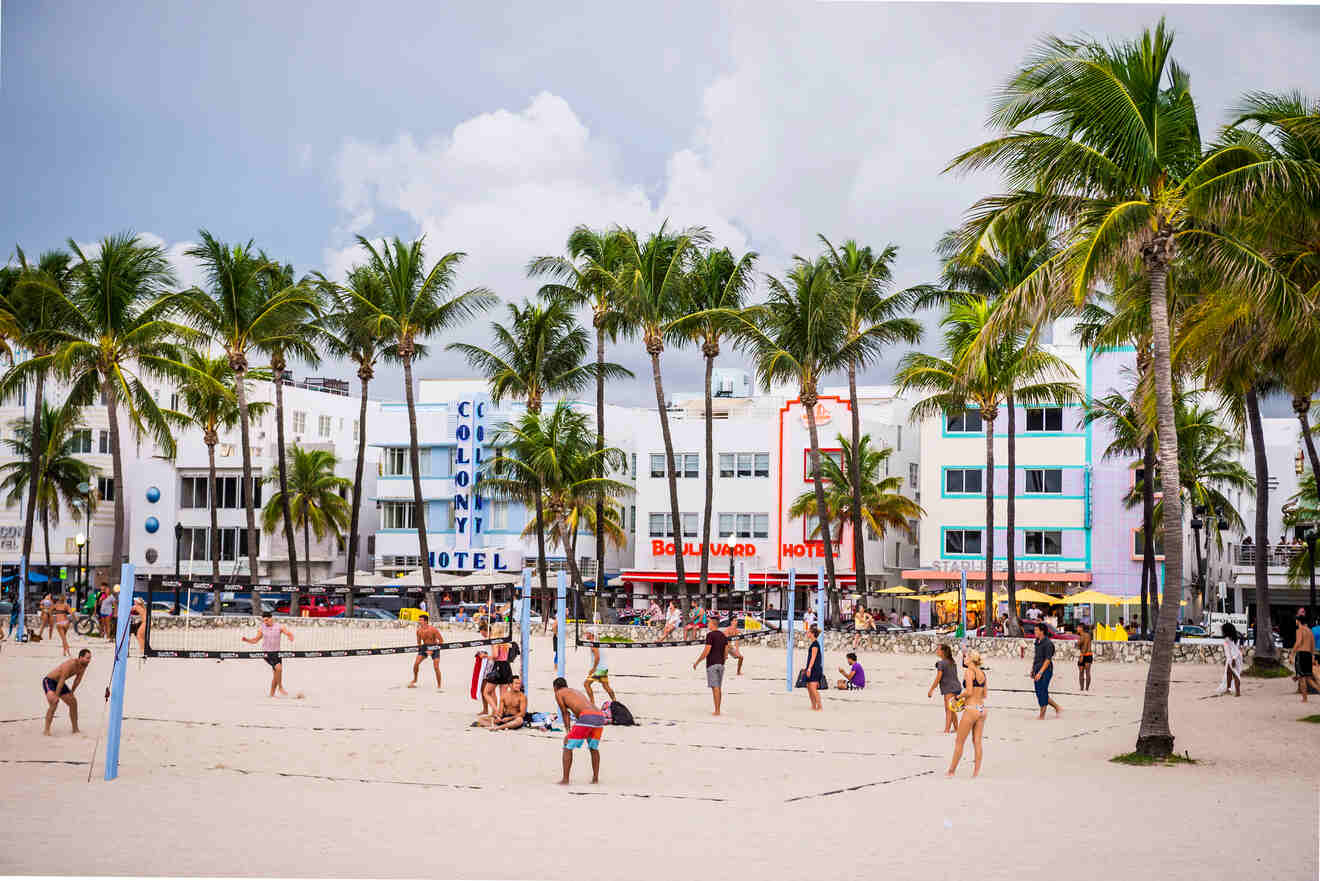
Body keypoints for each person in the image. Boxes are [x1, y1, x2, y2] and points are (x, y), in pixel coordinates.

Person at [553, 677, 604, 784]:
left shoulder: (559, 693)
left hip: (587, 717)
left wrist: (568, 732)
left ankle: (565, 779)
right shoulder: (575, 691)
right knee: (593, 747)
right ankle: (595, 779)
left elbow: (564, 713)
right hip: (599, 716)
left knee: (567, 745)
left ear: (555, 688)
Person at [946, 649, 988, 777]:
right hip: (982, 709)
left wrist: (959, 698)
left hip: (971, 710)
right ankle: (975, 773)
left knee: (959, 742)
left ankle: (951, 771)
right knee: (977, 742)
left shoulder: (969, 672)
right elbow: (984, 694)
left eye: (965, 657)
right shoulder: (982, 673)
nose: (963, 659)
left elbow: (969, 691)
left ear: (970, 659)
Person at [241, 613, 296, 697]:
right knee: (279, 669)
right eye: (264, 621)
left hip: (277, 653)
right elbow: (255, 640)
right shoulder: (262, 628)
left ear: (271, 618)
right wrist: (247, 640)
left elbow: (288, 632)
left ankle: (271, 694)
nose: (265, 622)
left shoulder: (279, 626)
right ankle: (280, 687)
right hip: (267, 653)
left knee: (276, 674)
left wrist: (290, 636)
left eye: (266, 620)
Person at [43, 649, 91, 735]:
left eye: (90, 658)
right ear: (80, 657)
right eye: (87, 658)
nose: (89, 660)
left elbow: (77, 680)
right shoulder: (70, 664)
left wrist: (72, 692)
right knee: (54, 702)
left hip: (60, 683)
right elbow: (62, 679)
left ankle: (75, 729)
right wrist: (56, 696)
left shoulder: (83, 666)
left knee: (73, 702)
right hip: (50, 681)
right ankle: (46, 730)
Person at [693, 617, 729, 716]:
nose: (708, 624)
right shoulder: (723, 635)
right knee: (718, 687)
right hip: (721, 664)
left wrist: (697, 661)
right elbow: (726, 650)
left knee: (715, 687)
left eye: (709, 623)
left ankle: (717, 710)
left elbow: (707, 650)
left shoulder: (710, 635)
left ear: (713, 624)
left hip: (712, 663)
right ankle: (718, 709)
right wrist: (723, 660)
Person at [927, 643, 962, 733]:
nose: (937, 651)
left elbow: (938, 678)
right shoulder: (952, 662)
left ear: (943, 652)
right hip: (957, 687)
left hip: (949, 688)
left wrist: (931, 689)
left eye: (938, 650)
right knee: (952, 709)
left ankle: (947, 730)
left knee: (948, 709)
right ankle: (957, 728)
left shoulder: (942, 663)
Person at [1289, 610, 1320, 702]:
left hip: (1301, 655)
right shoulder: (1310, 631)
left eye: (1296, 620)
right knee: (1309, 679)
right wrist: (1313, 657)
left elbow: (1298, 642)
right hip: (1308, 655)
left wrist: (1292, 653)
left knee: (1302, 679)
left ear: (1298, 621)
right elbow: (1313, 646)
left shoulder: (1299, 630)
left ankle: (1305, 699)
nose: (1295, 621)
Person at [1031, 622, 1060, 719]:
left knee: (1042, 691)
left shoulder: (1048, 643)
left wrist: (1040, 672)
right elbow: (1036, 657)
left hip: (1046, 670)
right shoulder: (1037, 641)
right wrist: (1032, 669)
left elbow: (1048, 660)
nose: (1034, 632)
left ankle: (1042, 715)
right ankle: (1057, 707)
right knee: (1039, 692)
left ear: (1042, 631)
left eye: (1036, 630)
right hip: (1037, 669)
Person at [410, 613, 444, 688]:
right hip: (425, 647)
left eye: (420, 620)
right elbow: (419, 643)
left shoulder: (433, 629)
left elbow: (441, 641)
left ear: (426, 621)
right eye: (419, 620)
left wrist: (432, 649)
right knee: (416, 663)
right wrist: (421, 650)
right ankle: (415, 680)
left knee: (436, 666)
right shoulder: (419, 631)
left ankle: (439, 685)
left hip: (435, 647)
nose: (419, 621)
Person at [582, 630, 616, 704]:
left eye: (587, 633)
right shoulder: (596, 642)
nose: (585, 634)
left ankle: (592, 703)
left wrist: (593, 669)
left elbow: (597, 657)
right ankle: (614, 700)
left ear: (591, 634)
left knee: (586, 684)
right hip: (604, 669)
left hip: (599, 669)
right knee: (606, 687)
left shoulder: (593, 644)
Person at [1217, 622, 1244, 697]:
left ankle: (1238, 692)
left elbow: (1234, 650)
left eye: (1223, 630)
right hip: (1231, 658)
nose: (1222, 631)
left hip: (1234, 658)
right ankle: (1228, 689)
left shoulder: (1229, 639)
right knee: (1228, 673)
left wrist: (1233, 660)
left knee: (1235, 674)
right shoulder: (1230, 638)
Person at [803, 624, 824, 710]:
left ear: (812, 633)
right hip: (811, 667)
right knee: (809, 687)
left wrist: (809, 668)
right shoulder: (813, 643)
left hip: (815, 668)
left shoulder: (815, 645)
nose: (806, 633)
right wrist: (807, 667)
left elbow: (813, 658)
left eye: (808, 632)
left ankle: (819, 706)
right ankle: (813, 705)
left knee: (813, 688)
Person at [1076, 622, 1093, 692]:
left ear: (1081, 628)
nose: (1077, 629)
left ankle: (1086, 688)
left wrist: (1082, 656)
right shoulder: (1080, 636)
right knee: (1081, 672)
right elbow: (1079, 646)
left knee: (1087, 672)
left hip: (1087, 655)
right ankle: (1082, 688)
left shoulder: (1087, 635)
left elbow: (1085, 646)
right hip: (1082, 655)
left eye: (1078, 627)